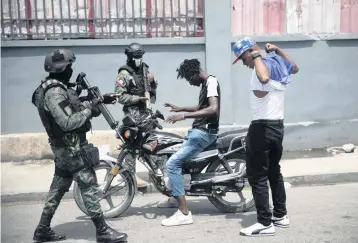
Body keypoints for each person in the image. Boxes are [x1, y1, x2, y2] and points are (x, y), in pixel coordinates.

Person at [31, 49, 128, 243]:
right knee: (89, 184)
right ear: (62, 68)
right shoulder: (54, 92)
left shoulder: (56, 88)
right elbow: (68, 122)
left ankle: (42, 229)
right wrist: (90, 110)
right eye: (69, 66)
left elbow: (70, 108)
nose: (71, 70)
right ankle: (102, 231)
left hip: (65, 148)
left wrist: (95, 102)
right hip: (70, 148)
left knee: (58, 187)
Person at [232, 37, 299, 236]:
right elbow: (294, 68)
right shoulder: (276, 62)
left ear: (248, 53)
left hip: (262, 128)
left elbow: (263, 78)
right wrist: (278, 50)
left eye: (242, 59)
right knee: (273, 172)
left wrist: (255, 55)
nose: (244, 64)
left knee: (257, 176)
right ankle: (280, 215)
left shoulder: (260, 68)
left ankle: (264, 223)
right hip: (278, 126)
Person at [159, 58, 221, 227]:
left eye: (189, 78)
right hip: (198, 132)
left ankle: (184, 213)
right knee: (171, 154)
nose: (189, 82)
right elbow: (202, 107)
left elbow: (212, 108)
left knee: (173, 164)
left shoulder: (211, 82)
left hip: (204, 133)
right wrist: (181, 108)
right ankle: (174, 198)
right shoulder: (206, 84)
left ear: (194, 73)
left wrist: (183, 116)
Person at [104, 42, 158, 190]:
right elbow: (120, 97)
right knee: (130, 149)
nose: (139, 59)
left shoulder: (144, 70)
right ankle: (130, 178)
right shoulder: (124, 74)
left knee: (152, 145)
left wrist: (153, 82)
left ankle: (157, 175)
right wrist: (138, 99)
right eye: (136, 57)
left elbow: (152, 93)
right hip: (132, 117)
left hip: (147, 116)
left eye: (140, 56)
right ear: (129, 57)